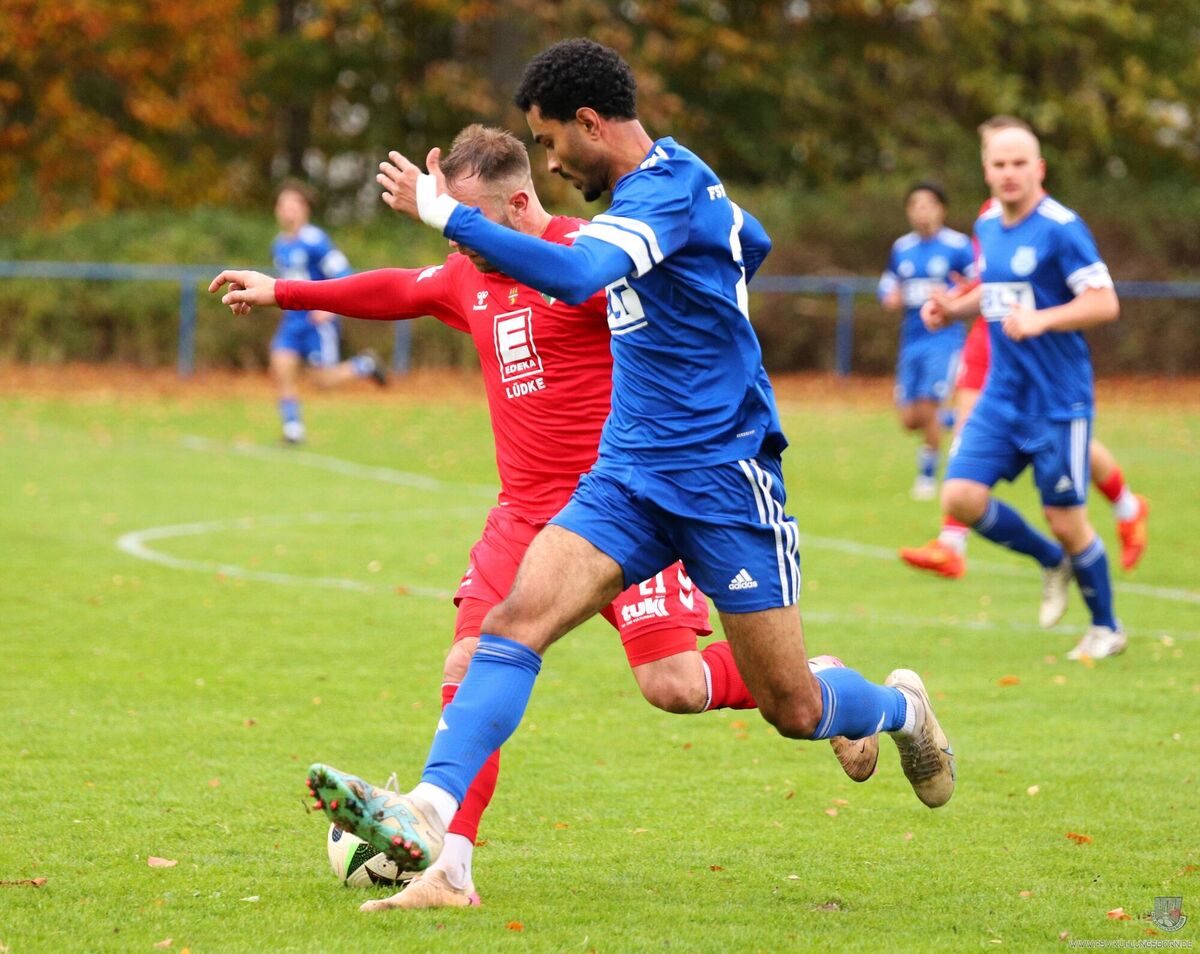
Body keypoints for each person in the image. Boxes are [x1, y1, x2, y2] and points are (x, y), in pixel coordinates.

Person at [300, 38, 956, 883]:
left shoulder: (668, 191)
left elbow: (582, 277)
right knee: (512, 623)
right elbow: (748, 238)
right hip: (626, 476)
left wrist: (448, 215)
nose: (550, 162)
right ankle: (432, 824)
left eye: (549, 141)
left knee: (791, 705)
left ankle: (901, 709)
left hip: (722, 481)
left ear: (589, 123)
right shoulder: (655, 200)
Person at [213, 125, 876, 909]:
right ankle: (450, 869)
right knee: (468, 662)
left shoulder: (595, 262)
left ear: (520, 204)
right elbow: (398, 289)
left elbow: (695, 294)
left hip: (626, 506)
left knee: (672, 685)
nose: (460, 243)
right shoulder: (469, 274)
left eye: (470, 222)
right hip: (525, 517)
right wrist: (283, 290)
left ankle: (819, 682)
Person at [899, 119, 1149, 578]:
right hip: (991, 336)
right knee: (972, 426)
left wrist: (1030, 316)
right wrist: (954, 306)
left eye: (1015, 160)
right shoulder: (990, 215)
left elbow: (1062, 289)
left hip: (1028, 341)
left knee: (1065, 442)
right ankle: (953, 541)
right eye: (994, 159)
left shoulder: (1045, 220)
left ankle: (1127, 506)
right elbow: (992, 279)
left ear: (1036, 165)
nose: (1005, 170)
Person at [268, 181, 386, 444]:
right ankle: (293, 429)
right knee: (280, 365)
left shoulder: (316, 241)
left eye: (292, 205)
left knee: (322, 380)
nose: (286, 210)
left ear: (304, 209)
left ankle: (365, 365)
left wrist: (328, 308)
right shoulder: (279, 245)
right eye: (282, 205)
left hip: (317, 321)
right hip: (293, 320)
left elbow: (343, 273)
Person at [878, 182, 974, 500]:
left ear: (941, 209)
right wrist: (889, 295)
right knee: (909, 419)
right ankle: (956, 418)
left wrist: (954, 296)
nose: (922, 212)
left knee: (929, 406)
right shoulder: (902, 247)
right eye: (916, 205)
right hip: (911, 340)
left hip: (943, 339)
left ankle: (927, 476)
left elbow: (978, 283)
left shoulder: (958, 245)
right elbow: (888, 283)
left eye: (928, 205)